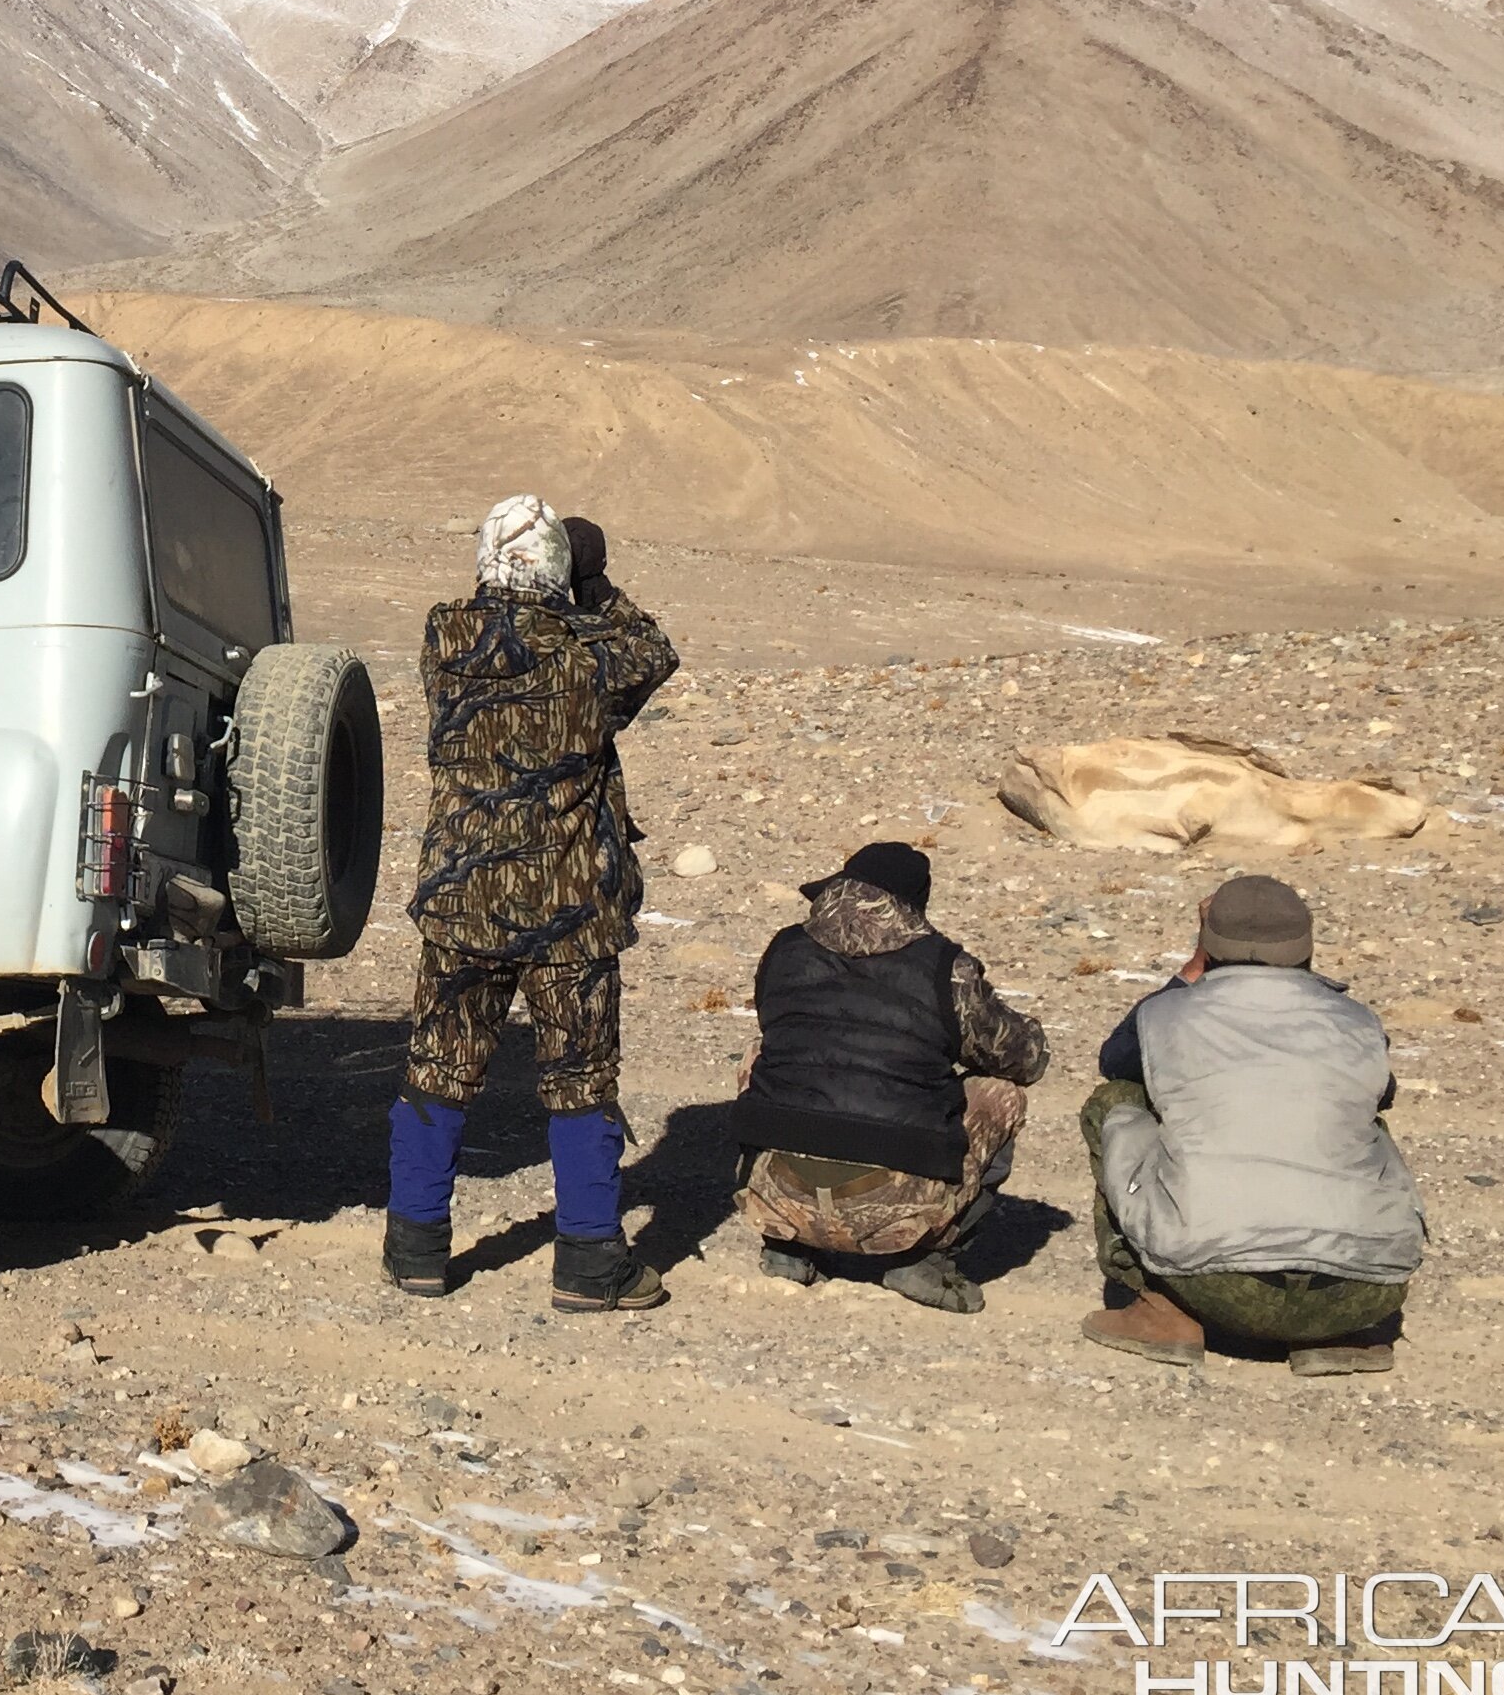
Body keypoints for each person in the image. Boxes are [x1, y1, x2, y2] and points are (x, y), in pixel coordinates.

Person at [386, 494, 678, 1311]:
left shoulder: (443, 640)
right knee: (580, 1080)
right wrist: (597, 582)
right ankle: (588, 1261)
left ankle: (416, 1247)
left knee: (438, 1066)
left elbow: (498, 626)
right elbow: (653, 650)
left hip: (460, 904)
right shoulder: (587, 660)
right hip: (568, 913)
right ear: (559, 573)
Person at [1079, 875, 1424, 1373]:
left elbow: (1116, 1061)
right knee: (1364, 1124)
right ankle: (1337, 1338)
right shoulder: (1358, 1021)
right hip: (1364, 1289)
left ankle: (1161, 1310)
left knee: (1116, 1102)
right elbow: (1380, 1093)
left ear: (1209, 941)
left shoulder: (1167, 1015)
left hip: (1215, 1283)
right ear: (1306, 943)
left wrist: (1195, 965)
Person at [729, 841, 1047, 1313]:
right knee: (1001, 1094)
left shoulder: (785, 948)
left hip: (781, 1191)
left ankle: (788, 1243)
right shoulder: (946, 967)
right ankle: (928, 1254)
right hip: (895, 1203)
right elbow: (1023, 1060)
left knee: (762, 1055)